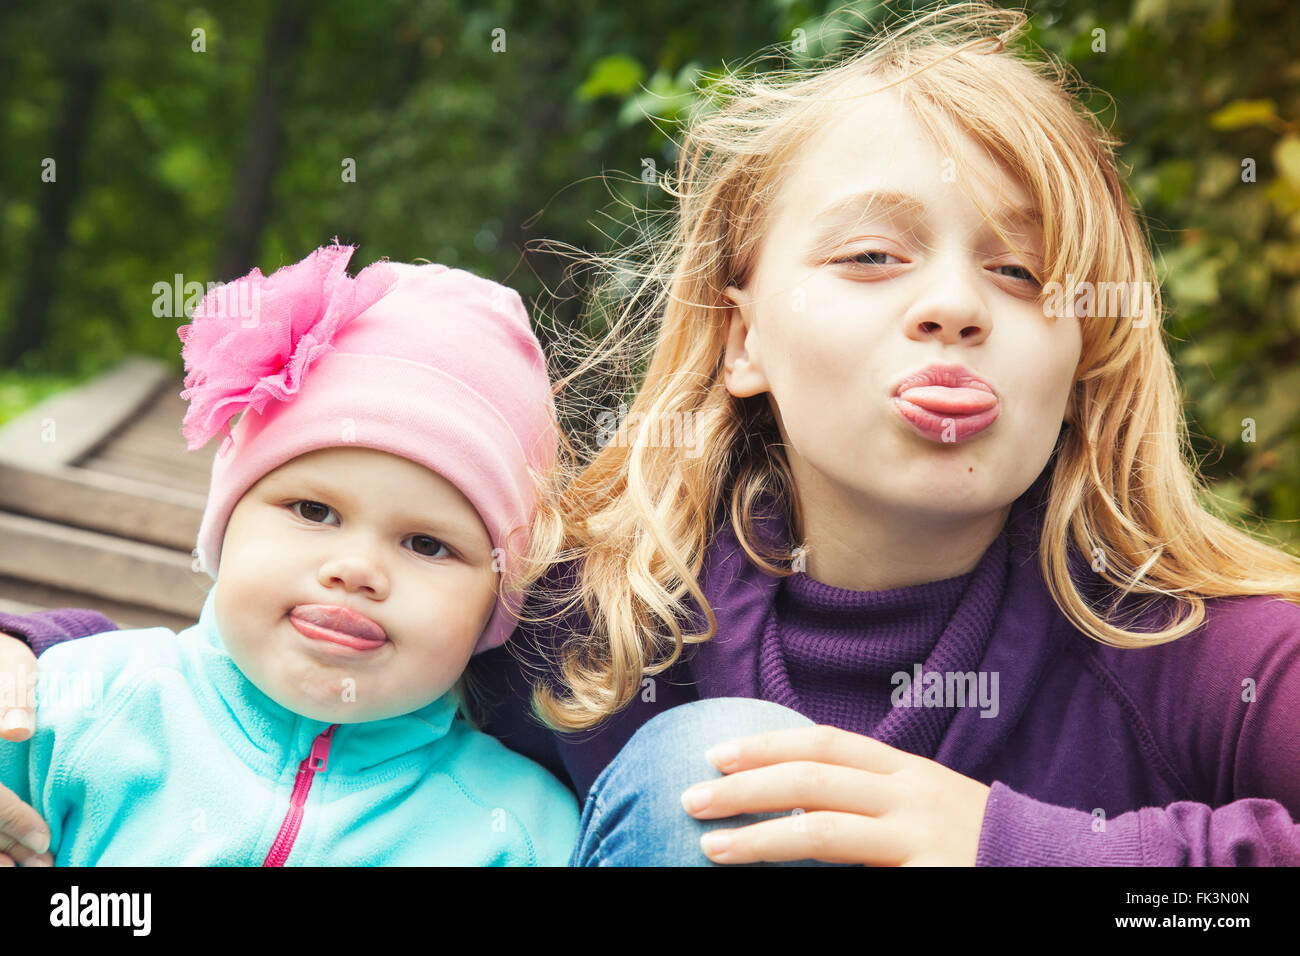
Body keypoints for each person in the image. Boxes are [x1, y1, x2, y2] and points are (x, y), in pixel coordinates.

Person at [4, 4, 1300, 867]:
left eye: (1021, 277)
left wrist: (1014, 850)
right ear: (741, 340)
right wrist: (26, 646)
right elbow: (300, 645)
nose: (954, 304)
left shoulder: (1191, 648)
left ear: (1083, 356)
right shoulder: (607, 619)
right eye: (871, 255)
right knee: (716, 772)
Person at [0, 242, 579, 865]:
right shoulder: (70, 710)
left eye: (427, 544)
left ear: (498, 597)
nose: (356, 570)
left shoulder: (520, 832)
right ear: (228, 523)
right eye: (313, 511)